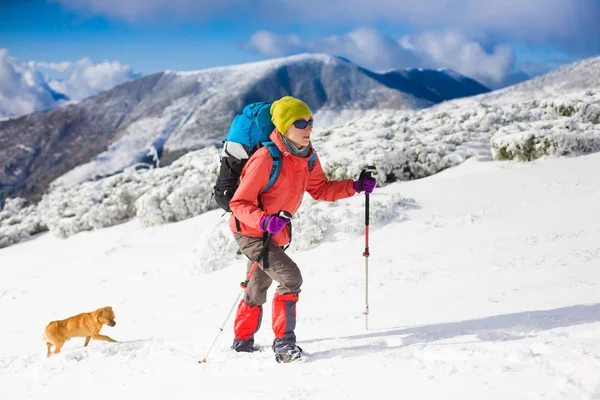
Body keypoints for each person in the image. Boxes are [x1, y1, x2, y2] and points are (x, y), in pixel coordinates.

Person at [229, 96, 376, 363]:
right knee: (290, 277)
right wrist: (263, 221)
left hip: (274, 232)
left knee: (258, 283)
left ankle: (242, 342)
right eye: (300, 122)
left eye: (310, 121)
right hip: (251, 232)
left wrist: (355, 186)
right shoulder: (265, 158)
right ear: (285, 127)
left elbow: (321, 189)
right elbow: (238, 203)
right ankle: (284, 346)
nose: (308, 128)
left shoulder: (307, 157)